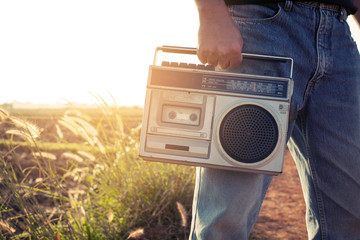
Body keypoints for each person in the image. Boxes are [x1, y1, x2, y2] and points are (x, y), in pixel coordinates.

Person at [190, 0, 360, 239]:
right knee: (224, 222)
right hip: (260, 25)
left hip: (340, 34)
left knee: (350, 219)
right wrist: (210, 12)